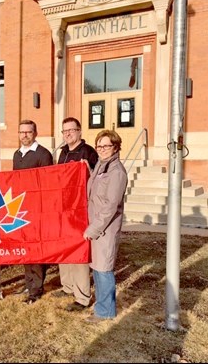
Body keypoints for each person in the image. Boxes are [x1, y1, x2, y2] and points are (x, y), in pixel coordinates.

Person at [53, 117, 98, 312]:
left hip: (81, 210)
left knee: (78, 251)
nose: (68, 134)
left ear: (80, 131)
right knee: (65, 248)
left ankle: (82, 296)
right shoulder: (62, 152)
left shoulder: (89, 152)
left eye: (72, 130)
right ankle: (68, 286)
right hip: (64, 209)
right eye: (65, 131)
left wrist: (86, 169)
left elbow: (97, 179)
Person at [83, 130, 127, 323]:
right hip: (96, 226)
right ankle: (102, 307)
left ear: (115, 147)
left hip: (105, 229)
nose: (102, 149)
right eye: (99, 146)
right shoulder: (101, 166)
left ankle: (105, 312)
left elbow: (110, 206)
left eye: (106, 146)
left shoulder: (117, 172)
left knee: (104, 269)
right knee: (98, 268)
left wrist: (93, 229)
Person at [13, 119, 53, 304]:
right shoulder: (17, 154)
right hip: (20, 209)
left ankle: (36, 289)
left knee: (36, 250)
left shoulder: (43, 154)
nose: (25, 135)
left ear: (35, 133)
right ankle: (29, 283)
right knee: (25, 248)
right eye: (22, 132)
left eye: (28, 132)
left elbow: (47, 184)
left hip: (37, 210)